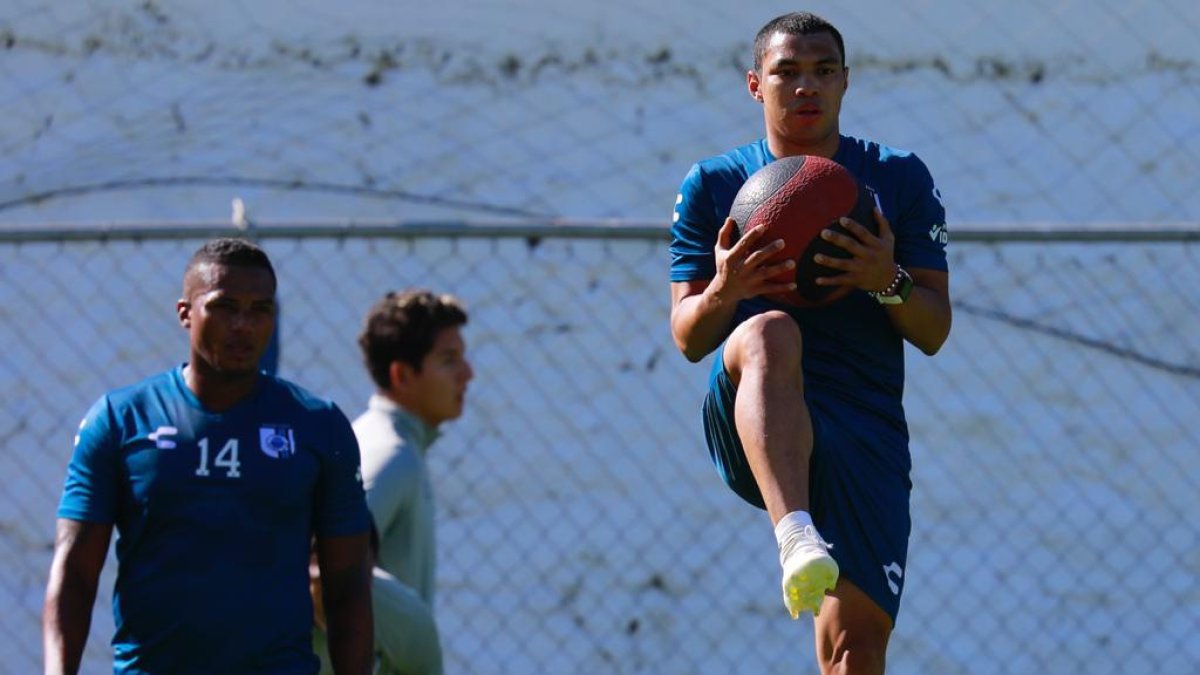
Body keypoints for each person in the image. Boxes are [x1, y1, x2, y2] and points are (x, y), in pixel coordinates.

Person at [669, 12, 952, 675]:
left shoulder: (900, 178)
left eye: (823, 71)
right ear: (754, 84)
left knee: (854, 651)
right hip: (754, 407)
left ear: (846, 81)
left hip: (863, 422)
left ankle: (812, 544)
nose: (806, 86)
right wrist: (726, 289)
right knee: (770, 330)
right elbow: (687, 337)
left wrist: (887, 281)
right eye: (787, 72)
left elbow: (934, 329)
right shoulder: (713, 184)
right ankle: (794, 531)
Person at [43, 238, 375, 675]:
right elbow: (75, 572)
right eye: (225, 306)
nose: (244, 324)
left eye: (260, 309)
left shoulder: (318, 425)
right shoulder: (121, 419)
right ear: (185, 313)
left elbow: (348, 583)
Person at [313, 290, 473, 675]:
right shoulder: (390, 453)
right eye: (449, 360)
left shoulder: (386, 441)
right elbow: (321, 567)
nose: (468, 373)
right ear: (402, 375)